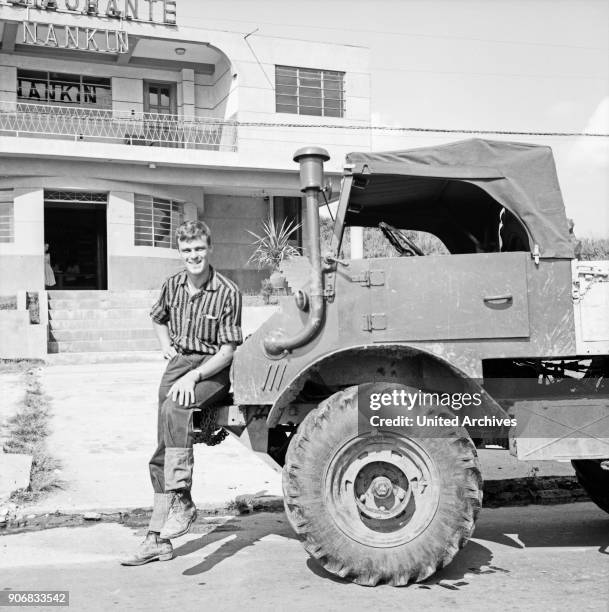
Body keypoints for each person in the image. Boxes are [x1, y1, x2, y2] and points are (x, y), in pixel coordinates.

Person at [121, 220, 242, 566]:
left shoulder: (227, 291)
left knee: (176, 405)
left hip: (213, 370)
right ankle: (157, 538)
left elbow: (228, 350)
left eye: (199, 249)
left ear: (209, 248)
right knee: (162, 445)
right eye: (187, 250)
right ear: (180, 252)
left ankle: (182, 501)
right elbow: (158, 318)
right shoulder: (172, 285)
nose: (194, 256)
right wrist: (166, 349)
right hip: (179, 363)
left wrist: (193, 378)